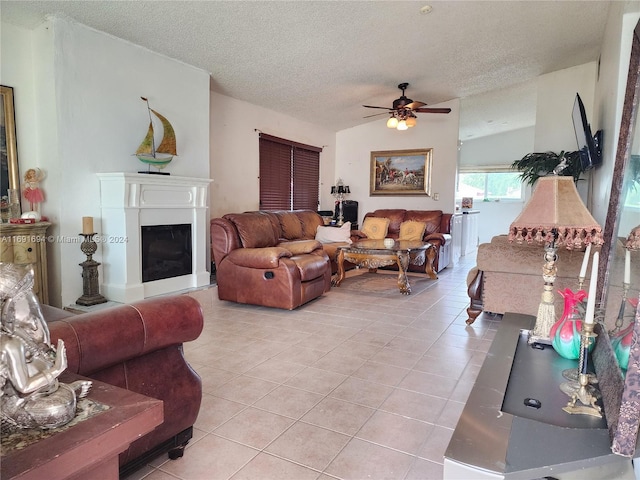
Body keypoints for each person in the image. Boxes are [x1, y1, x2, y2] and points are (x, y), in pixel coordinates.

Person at [0, 264, 90, 431]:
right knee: (56, 409)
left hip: (36, 393)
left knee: (61, 400)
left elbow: (41, 343)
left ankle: (63, 390)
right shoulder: (8, 343)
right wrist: (57, 369)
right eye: (23, 298)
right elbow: (24, 388)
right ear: (7, 309)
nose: (31, 306)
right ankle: (65, 391)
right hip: (16, 405)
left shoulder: (19, 333)